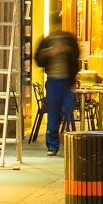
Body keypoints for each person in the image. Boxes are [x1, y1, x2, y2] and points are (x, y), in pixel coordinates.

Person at [34, 17, 82, 155]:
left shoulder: (69, 39)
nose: (56, 27)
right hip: (53, 82)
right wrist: (49, 52)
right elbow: (38, 60)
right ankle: (53, 145)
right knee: (54, 114)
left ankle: (73, 143)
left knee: (68, 110)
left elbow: (76, 58)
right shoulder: (46, 41)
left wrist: (67, 50)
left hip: (67, 82)